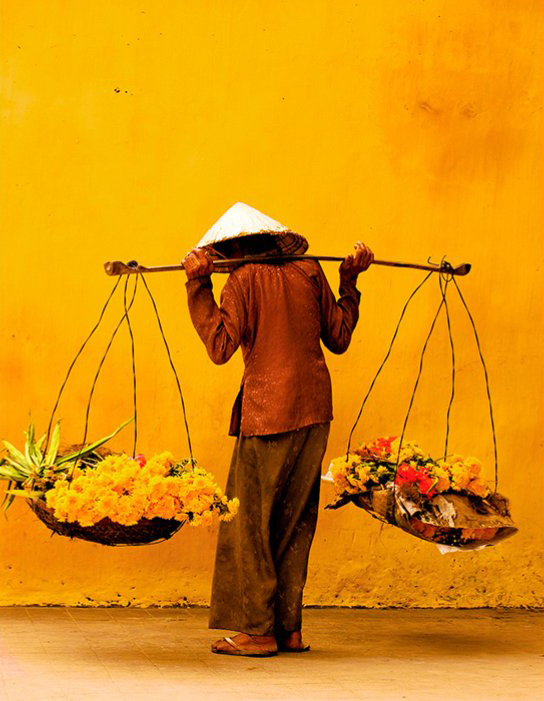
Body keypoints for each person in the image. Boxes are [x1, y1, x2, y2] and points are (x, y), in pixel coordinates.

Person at [183, 224, 373, 657]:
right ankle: (288, 629)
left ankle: (256, 630)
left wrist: (198, 287)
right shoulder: (309, 271)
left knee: (251, 524)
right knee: (294, 521)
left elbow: (219, 346)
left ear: (239, 248)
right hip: (314, 410)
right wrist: (349, 282)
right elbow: (339, 337)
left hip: (268, 412)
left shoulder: (244, 280)